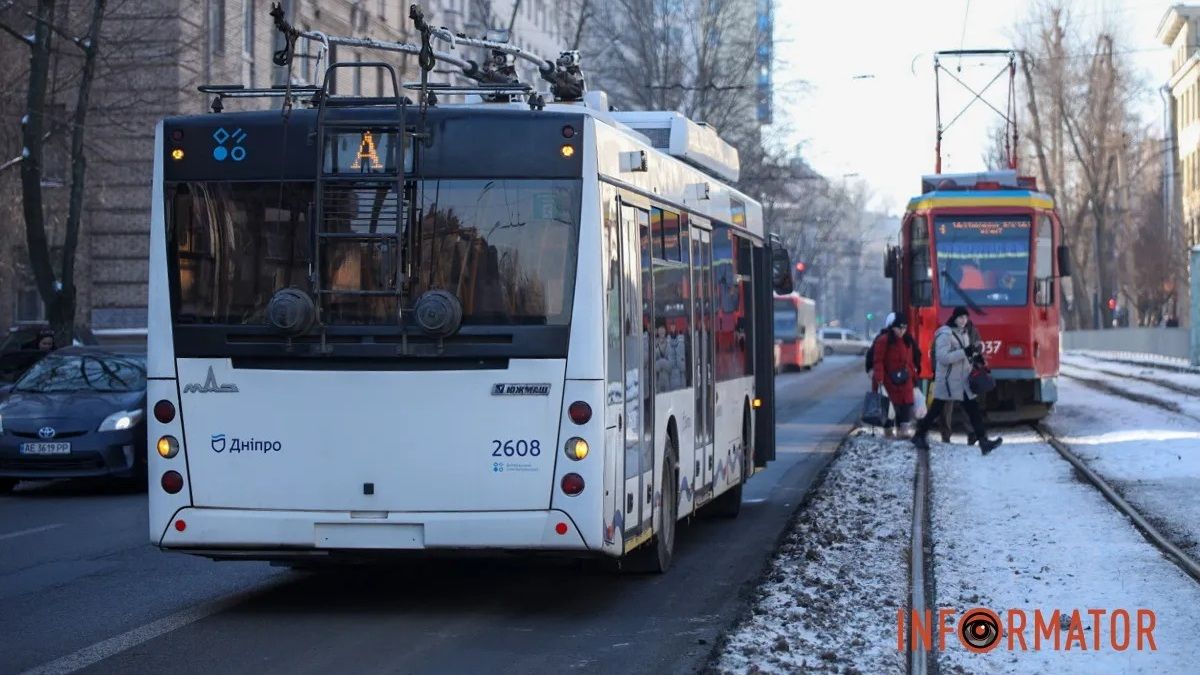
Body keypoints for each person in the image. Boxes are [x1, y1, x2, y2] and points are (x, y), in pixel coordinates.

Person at [911, 306, 1002, 454]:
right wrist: (964, 352)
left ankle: (983, 441)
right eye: (960, 317)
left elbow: (964, 355)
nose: (963, 320)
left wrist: (975, 356)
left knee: (973, 410)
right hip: (948, 382)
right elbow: (943, 357)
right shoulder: (945, 334)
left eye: (965, 317)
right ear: (954, 318)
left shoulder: (963, 333)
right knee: (936, 410)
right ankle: (919, 435)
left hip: (961, 381)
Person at [870, 313, 918, 439]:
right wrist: (879, 379)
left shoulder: (907, 340)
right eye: (899, 328)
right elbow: (878, 361)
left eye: (904, 328)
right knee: (889, 407)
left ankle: (903, 433)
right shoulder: (884, 340)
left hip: (905, 379)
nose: (902, 331)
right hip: (888, 380)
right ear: (893, 327)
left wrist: (914, 377)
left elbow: (910, 361)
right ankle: (889, 433)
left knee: (906, 405)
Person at [940, 317, 983, 444]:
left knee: (962, 404)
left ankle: (971, 433)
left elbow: (978, 346)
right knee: (948, 406)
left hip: (965, 372)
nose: (963, 320)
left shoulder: (971, 330)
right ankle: (947, 435)